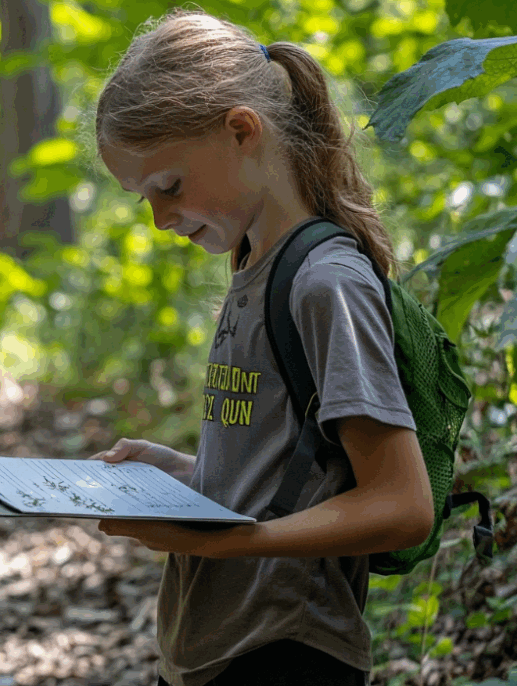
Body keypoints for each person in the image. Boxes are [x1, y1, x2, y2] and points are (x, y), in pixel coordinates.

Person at [89, 9, 434, 686]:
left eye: (169, 187)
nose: (159, 219)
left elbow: (402, 505)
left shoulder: (325, 283)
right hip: (215, 646)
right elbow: (292, 480)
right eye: (142, 199)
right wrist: (187, 475)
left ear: (242, 131)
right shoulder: (255, 268)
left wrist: (240, 542)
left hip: (286, 649)